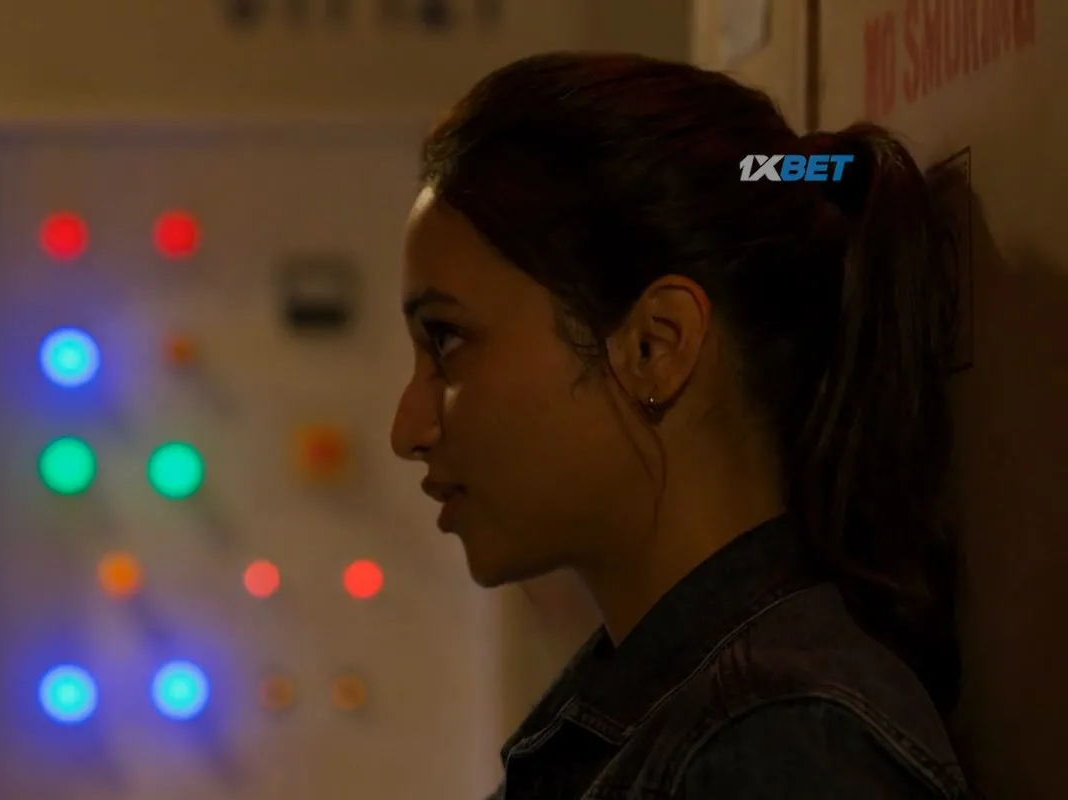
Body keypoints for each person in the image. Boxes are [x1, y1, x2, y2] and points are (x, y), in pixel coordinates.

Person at [390, 53, 971, 798]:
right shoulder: (678, 714)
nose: (407, 429)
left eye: (446, 340)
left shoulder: (783, 747)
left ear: (655, 347)